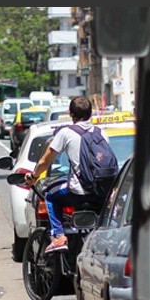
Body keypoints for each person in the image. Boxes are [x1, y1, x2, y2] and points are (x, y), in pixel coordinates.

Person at [24, 96, 110, 253]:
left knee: (50, 195)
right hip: (103, 191)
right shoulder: (101, 133)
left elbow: (45, 161)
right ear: (90, 113)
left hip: (79, 190)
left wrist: (34, 177)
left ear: (71, 114)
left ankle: (59, 237)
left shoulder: (66, 133)